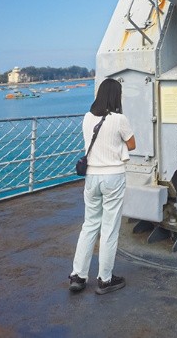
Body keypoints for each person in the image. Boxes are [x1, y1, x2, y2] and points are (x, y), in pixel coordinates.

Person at [69, 78, 135, 295]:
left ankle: (78, 276)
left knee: (89, 225)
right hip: (113, 176)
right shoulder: (119, 119)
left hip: (91, 176)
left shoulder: (87, 117)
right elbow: (132, 144)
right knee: (109, 229)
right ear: (116, 96)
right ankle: (105, 279)